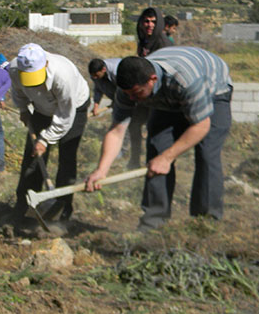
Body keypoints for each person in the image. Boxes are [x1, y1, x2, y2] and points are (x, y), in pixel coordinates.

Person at [85, 47, 233, 231]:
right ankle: (154, 222)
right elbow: (116, 131)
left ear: (152, 79)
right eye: (129, 94)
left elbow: (201, 126)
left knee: (206, 152)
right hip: (168, 97)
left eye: (136, 93)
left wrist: (168, 158)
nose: (132, 99)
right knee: (157, 148)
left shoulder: (186, 81)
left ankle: (205, 222)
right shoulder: (127, 90)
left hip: (213, 88)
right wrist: (101, 169)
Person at [9, 43, 90, 235]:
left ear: (45, 64)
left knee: (67, 156)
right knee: (32, 157)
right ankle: (25, 204)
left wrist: (45, 140)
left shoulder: (63, 75)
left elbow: (65, 116)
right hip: (41, 108)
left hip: (73, 108)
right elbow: (18, 91)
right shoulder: (14, 69)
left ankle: (63, 209)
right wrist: (23, 110)